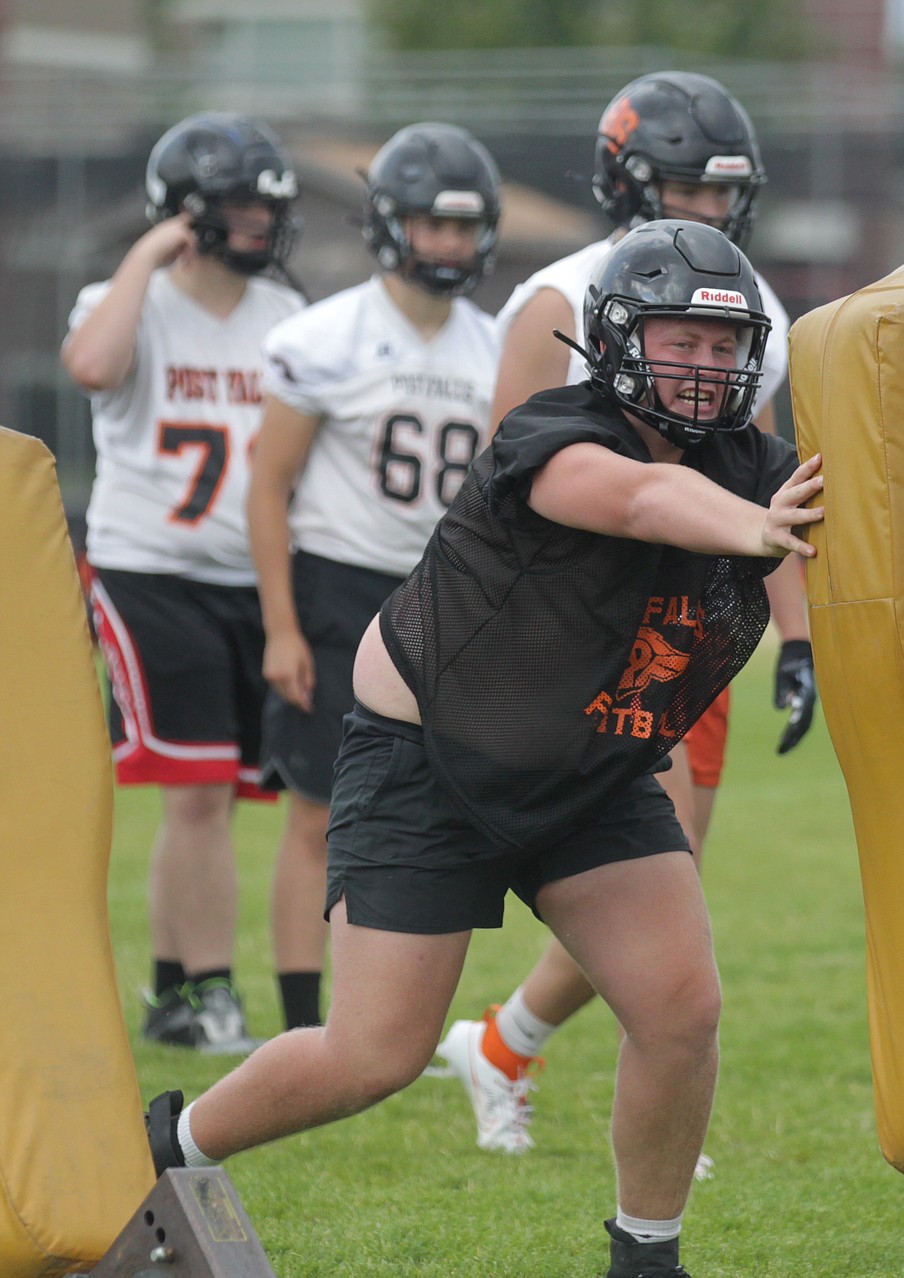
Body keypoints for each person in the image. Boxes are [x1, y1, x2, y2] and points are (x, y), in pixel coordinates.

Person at [145, 219, 824, 1278]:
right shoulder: (548, 434)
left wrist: (807, 634)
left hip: (590, 768)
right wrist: (756, 527)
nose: (703, 364)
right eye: (677, 338)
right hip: (433, 761)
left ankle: (648, 1260)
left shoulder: (745, 466)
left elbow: (800, 511)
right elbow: (650, 501)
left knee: (681, 1007)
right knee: (371, 1055)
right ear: (615, 338)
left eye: (723, 344)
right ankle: (162, 1157)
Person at [436, 68, 816, 1158]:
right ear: (626, 183)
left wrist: (798, 635)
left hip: (689, 626)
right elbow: (512, 482)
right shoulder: (559, 298)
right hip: (571, 638)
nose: (703, 212)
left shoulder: (753, 308)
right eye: (682, 188)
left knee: (672, 876)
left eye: (718, 192)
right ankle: (586, 1062)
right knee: (644, 882)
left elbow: (772, 489)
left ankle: (513, 1046)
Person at [248, 123, 502, 1031]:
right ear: (390, 225)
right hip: (339, 590)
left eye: (463, 228)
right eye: (431, 224)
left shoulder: (500, 346)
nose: (447, 245)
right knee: (317, 812)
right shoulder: (323, 336)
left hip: (448, 599)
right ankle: (299, 1017)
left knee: (430, 815)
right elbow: (268, 484)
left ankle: (381, 1009)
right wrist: (281, 625)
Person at [61, 112, 304, 1054]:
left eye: (265, 208)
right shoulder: (125, 300)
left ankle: (172, 992)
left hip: (253, 577)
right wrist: (149, 254)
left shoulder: (284, 318)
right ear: (187, 212)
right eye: (238, 206)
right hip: (149, 568)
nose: (258, 224)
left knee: (217, 792)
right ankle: (208, 991)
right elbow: (90, 365)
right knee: (196, 789)